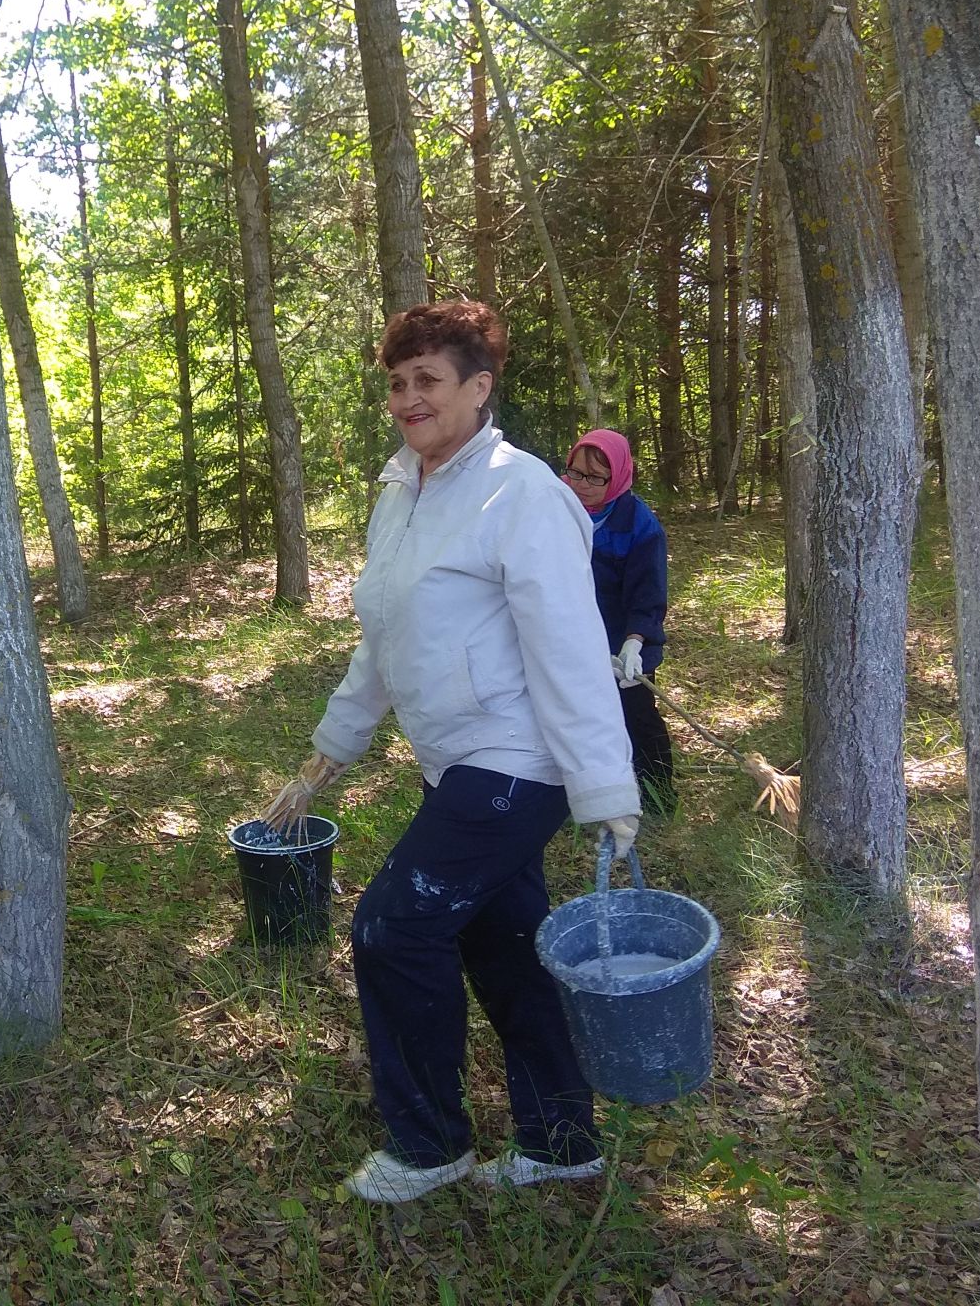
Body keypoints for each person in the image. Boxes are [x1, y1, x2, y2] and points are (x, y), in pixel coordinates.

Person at [261, 299, 641, 1204]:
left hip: (517, 764)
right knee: (505, 947)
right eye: (397, 383)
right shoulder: (401, 494)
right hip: (456, 763)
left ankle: (430, 1147)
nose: (407, 398)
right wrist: (329, 753)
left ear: (480, 386)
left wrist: (604, 788)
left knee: (392, 928)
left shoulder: (524, 494)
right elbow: (382, 640)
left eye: (427, 380)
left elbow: (571, 650)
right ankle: (560, 1142)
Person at [562, 429, 676, 817]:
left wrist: (634, 641)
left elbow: (648, 595)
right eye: (575, 473)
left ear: (619, 477)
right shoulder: (556, 506)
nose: (581, 485)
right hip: (567, 638)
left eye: (595, 478)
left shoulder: (640, 527)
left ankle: (658, 796)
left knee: (636, 716)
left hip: (622, 643)